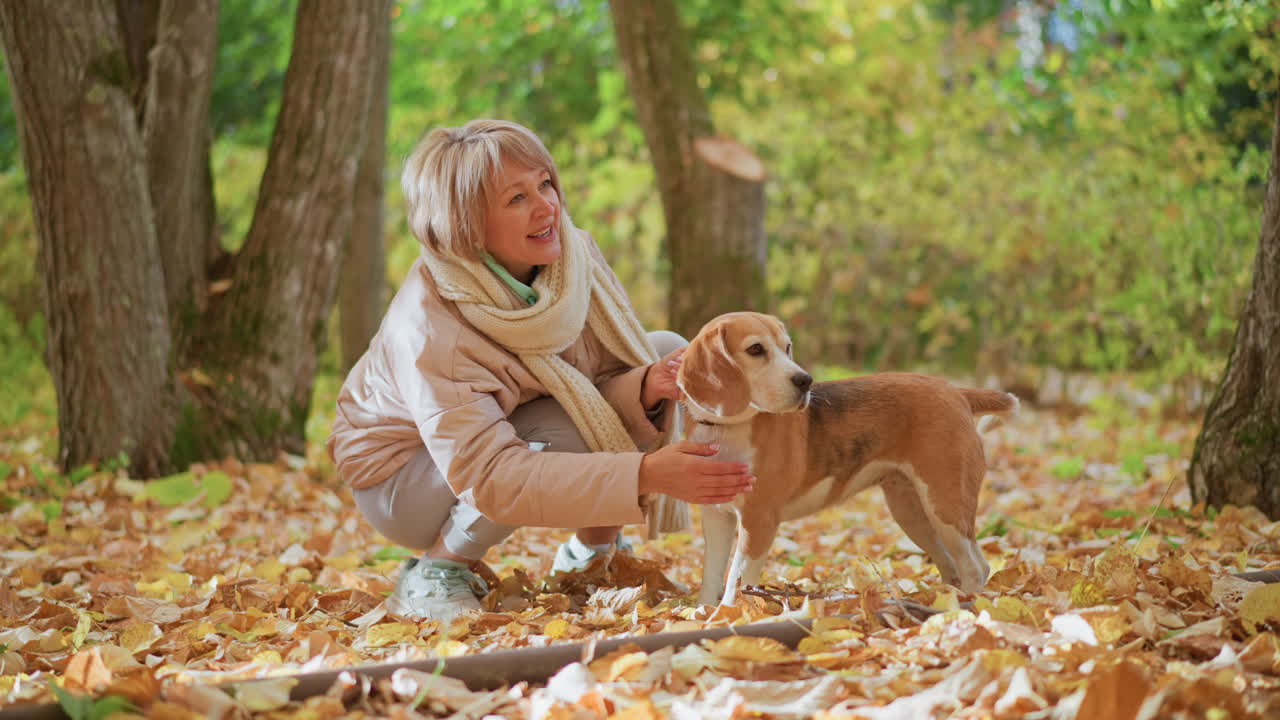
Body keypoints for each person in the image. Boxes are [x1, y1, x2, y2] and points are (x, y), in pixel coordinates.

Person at [327, 119, 756, 622]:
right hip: (404, 481)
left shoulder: (572, 257)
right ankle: (437, 570)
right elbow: (490, 475)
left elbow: (595, 382)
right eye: (516, 199)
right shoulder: (429, 326)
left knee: (663, 352)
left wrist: (643, 389)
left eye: (545, 184)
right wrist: (645, 473)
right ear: (466, 225)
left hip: (502, 436)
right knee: (556, 433)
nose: (546, 206)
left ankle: (593, 559)